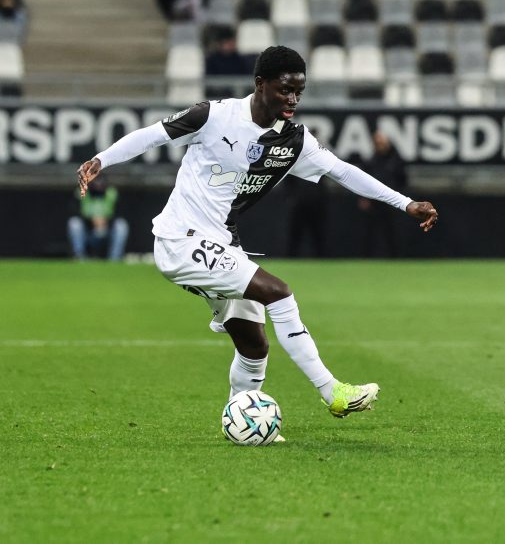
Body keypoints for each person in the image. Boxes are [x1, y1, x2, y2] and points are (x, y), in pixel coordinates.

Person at [76, 46, 439, 435]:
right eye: (285, 90)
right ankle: (331, 390)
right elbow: (151, 136)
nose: (293, 99)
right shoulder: (213, 116)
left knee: (254, 346)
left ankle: (242, 423)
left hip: (221, 245)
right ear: (260, 84)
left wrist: (406, 203)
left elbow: (343, 171)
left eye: (299, 91)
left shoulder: (294, 141)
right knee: (278, 293)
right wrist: (101, 160)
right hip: (181, 238)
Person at [358, 131, 408, 257]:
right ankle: (368, 257)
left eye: (381, 143)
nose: (379, 145)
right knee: (370, 233)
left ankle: (396, 257)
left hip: (392, 202)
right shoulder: (371, 161)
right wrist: (364, 198)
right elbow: (363, 181)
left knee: (393, 232)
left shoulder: (396, 160)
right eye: (377, 143)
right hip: (375, 202)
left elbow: (402, 180)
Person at [67, 176, 129, 261]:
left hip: (107, 231)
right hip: (88, 232)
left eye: (100, 183)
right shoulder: (82, 192)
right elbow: (73, 211)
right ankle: (79, 257)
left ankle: (115, 259)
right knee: (74, 223)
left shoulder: (112, 193)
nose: (98, 186)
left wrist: (106, 220)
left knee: (121, 225)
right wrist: (91, 220)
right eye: (95, 183)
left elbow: (121, 212)